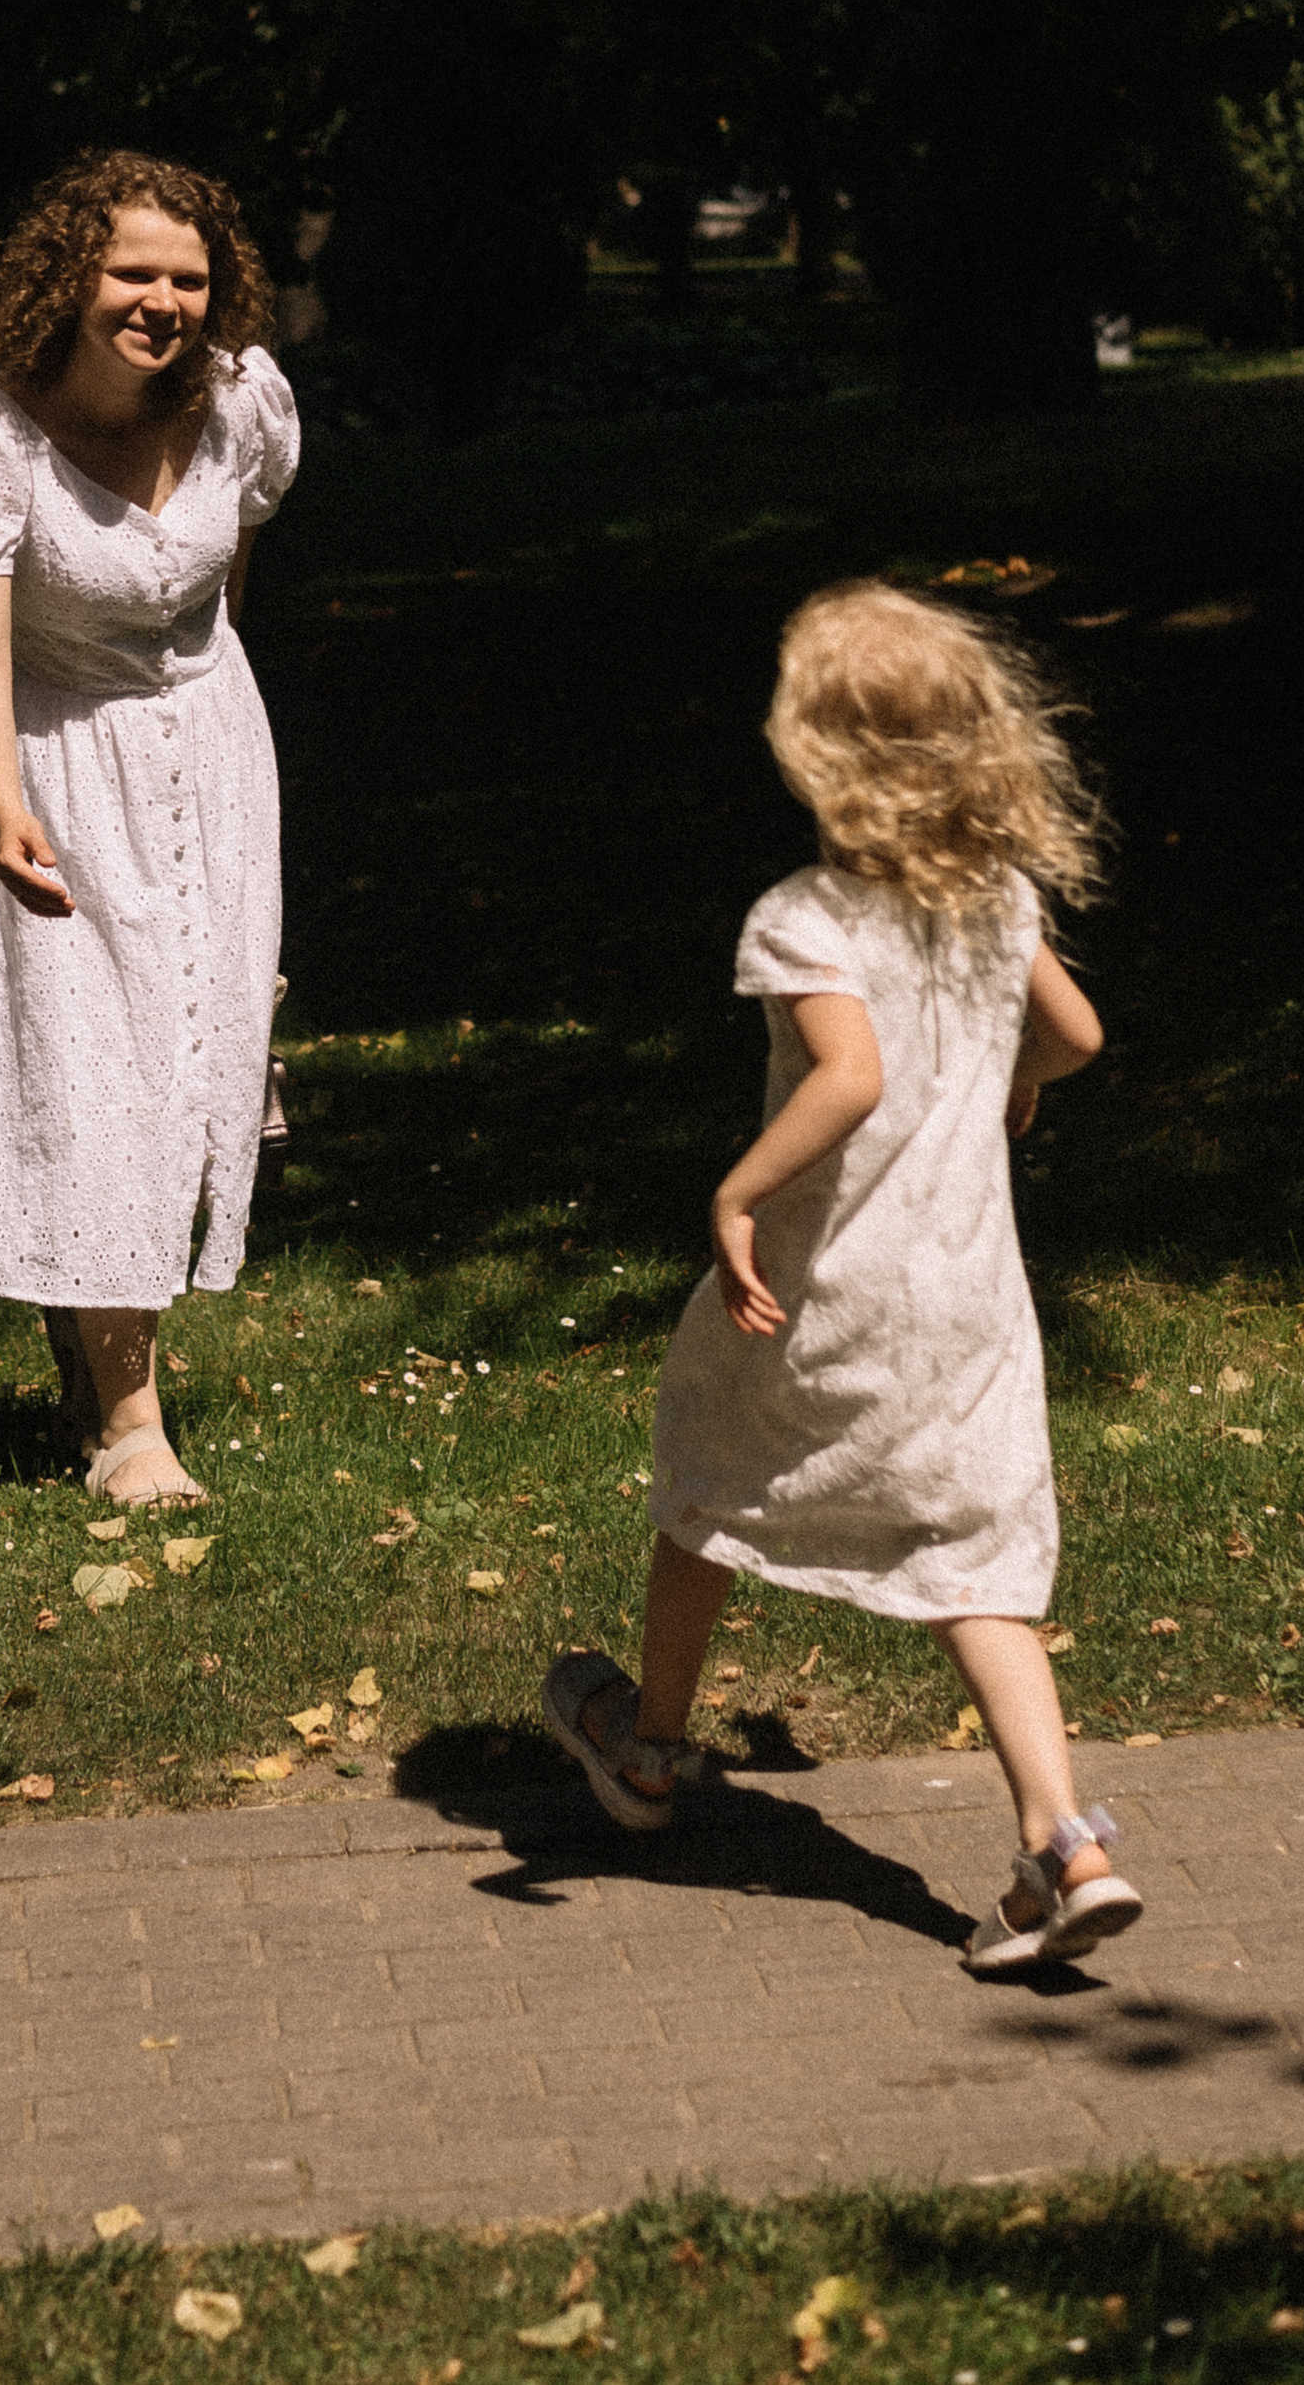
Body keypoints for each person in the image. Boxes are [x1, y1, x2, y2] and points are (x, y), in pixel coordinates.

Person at [539, 577, 1141, 1973]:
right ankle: (1065, 1843)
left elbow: (851, 1075)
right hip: (971, 1303)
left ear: (817, 758)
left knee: (706, 1483)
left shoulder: (806, 917)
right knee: (976, 1567)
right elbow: (1077, 1038)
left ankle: (648, 1751)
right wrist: (1011, 1076)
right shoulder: (998, 901)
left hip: (828, 1293)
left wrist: (739, 1190)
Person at [0, 150, 298, 1506]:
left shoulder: (241, 406)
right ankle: (132, 1428)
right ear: (71, 276)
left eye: (189, 279)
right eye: (134, 272)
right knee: (92, 1080)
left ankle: (93, 1357)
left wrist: (202, 715)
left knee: (189, 1066)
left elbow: (222, 587)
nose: (162, 302)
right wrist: (6, 808)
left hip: (213, 760)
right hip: (60, 772)